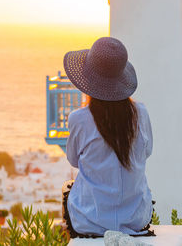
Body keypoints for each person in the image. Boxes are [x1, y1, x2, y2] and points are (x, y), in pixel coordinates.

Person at [61, 37, 155, 238]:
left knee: (68, 190)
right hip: (136, 219)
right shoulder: (141, 113)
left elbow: (73, 160)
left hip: (89, 220)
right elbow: (147, 152)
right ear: (121, 78)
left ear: (88, 79)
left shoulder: (79, 119)